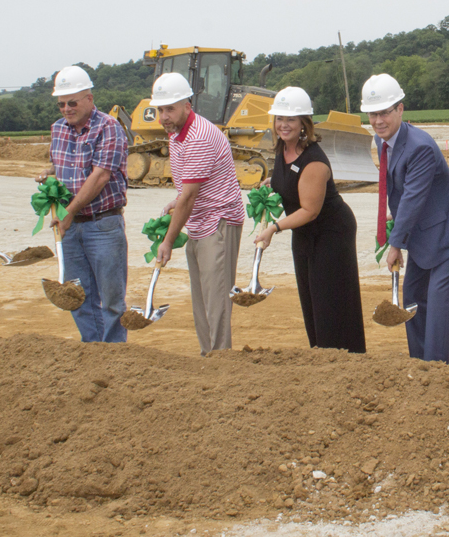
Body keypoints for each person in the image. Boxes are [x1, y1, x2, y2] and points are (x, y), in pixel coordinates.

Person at [362, 73, 449, 363]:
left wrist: (395, 244)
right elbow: (399, 186)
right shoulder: (381, 138)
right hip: (424, 231)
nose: (378, 121)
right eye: (372, 114)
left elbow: (414, 197)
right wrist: (394, 213)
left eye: (384, 113)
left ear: (400, 109)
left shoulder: (420, 147)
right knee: (412, 298)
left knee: (438, 305)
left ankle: (436, 370)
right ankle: (419, 364)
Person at [254, 87, 366, 353]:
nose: (283, 125)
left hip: (330, 233)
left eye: (290, 119)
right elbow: (291, 181)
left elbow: (310, 210)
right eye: (279, 118)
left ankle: (342, 355)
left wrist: (274, 228)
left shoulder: (314, 160)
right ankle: (321, 353)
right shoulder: (283, 149)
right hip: (304, 234)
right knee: (310, 297)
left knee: (330, 300)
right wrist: (273, 182)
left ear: (304, 123)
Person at [150, 73, 246, 355]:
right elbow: (189, 190)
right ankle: (208, 356)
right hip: (199, 222)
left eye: (170, 109)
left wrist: (167, 241)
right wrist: (176, 201)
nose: (164, 116)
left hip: (218, 222)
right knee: (202, 299)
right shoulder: (177, 135)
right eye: (160, 110)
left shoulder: (199, 136)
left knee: (216, 300)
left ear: (187, 105)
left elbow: (191, 196)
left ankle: (220, 360)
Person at [36, 65, 130, 343]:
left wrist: (69, 211)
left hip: (102, 224)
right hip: (70, 226)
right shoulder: (58, 129)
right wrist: (49, 173)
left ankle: (114, 352)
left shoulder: (109, 128)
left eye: (72, 102)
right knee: (78, 295)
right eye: (61, 104)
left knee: (111, 297)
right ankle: (92, 350)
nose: (66, 108)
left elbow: (100, 175)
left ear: (89, 98)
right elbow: (67, 165)